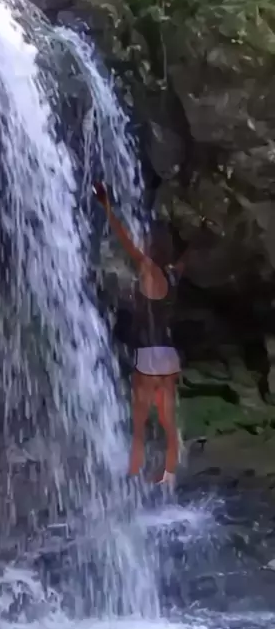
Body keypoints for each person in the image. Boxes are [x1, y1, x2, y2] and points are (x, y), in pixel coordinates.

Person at [93, 181, 189, 488]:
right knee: (168, 420)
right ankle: (168, 476)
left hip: (148, 355)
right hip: (168, 355)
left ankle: (134, 476)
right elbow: (187, 259)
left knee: (139, 420)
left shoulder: (148, 268)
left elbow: (124, 240)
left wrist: (107, 207)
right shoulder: (172, 275)